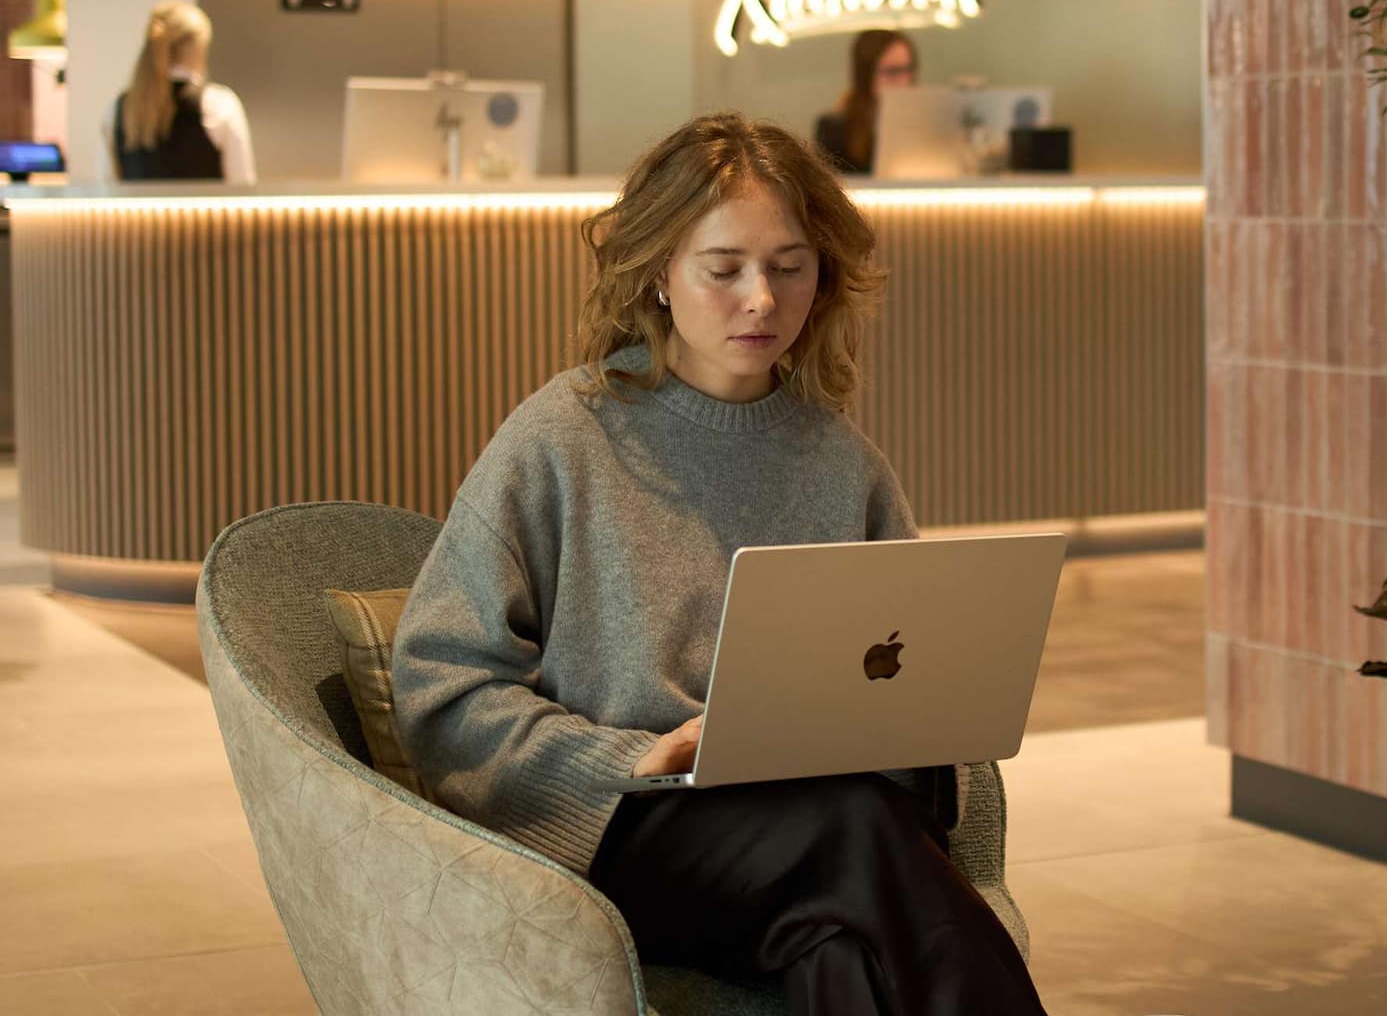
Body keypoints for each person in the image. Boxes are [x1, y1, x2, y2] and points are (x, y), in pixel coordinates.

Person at [390, 112, 1046, 1015]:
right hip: (624, 829)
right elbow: (441, 693)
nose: (762, 301)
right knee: (856, 834)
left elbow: (922, 699)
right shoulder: (562, 437)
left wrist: (908, 743)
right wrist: (631, 756)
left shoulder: (842, 463)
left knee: (840, 947)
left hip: (815, 839)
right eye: (724, 268)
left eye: (789, 267)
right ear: (659, 272)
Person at [102, 0, 256, 184]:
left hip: (139, 215)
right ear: (200, 49)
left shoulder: (118, 111)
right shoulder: (220, 106)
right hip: (204, 213)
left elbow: (107, 187)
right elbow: (242, 185)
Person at [815, 29, 918, 174]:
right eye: (893, 71)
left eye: (908, 69)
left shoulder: (924, 126)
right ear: (866, 74)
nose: (903, 81)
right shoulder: (835, 130)